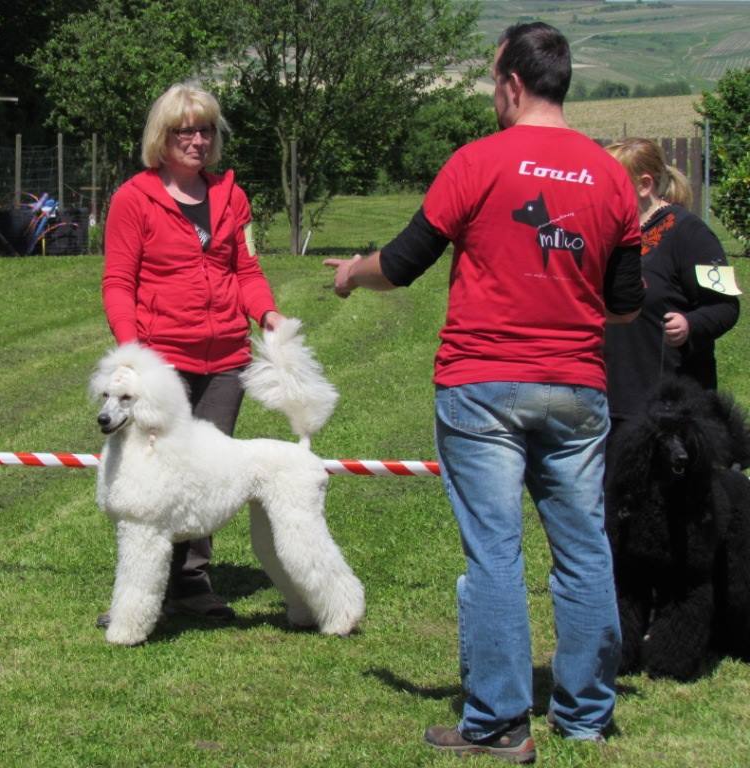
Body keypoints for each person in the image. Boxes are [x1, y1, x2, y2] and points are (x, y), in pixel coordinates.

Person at [325, 22, 644, 763]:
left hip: (481, 388)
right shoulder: (611, 175)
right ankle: (587, 714)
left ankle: (500, 720)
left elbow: (402, 264)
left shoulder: (477, 161)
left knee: (495, 553)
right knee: (584, 549)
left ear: (510, 84)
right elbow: (625, 305)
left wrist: (349, 275)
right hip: (576, 390)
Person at [101, 82, 284, 625]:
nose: (198, 140)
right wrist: (132, 351)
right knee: (152, 475)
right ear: (163, 137)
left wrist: (267, 314)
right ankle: (138, 594)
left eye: (206, 130)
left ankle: (191, 582)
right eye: (185, 131)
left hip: (226, 357)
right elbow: (118, 281)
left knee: (206, 470)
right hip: (161, 363)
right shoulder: (134, 198)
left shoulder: (233, 196)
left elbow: (245, 269)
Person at [603, 137, 740, 433]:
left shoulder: (690, 233)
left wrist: (690, 324)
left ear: (644, 185)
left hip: (668, 406)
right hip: (607, 399)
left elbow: (726, 306)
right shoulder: (606, 233)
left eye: (611, 183)